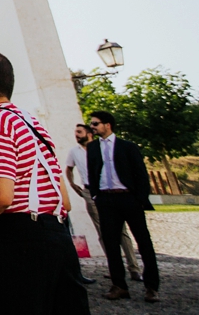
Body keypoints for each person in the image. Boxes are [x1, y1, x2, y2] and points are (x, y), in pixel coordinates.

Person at [0, 50, 88, 315]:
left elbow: (0, 195)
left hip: (19, 243)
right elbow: (63, 199)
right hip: (57, 236)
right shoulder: (31, 122)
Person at [86, 110, 159, 303]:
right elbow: (92, 173)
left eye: (95, 124)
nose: (92, 127)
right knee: (111, 244)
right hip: (106, 200)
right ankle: (119, 285)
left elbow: (141, 175)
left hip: (128, 198)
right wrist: (96, 195)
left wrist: (140, 199)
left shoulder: (128, 147)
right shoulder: (92, 148)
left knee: (143, 242)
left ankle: (151, 286)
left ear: (107, 125)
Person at [65, 123, 140, 283]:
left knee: (122, 232)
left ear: (89, 133)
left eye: (79, 132)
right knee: (103, 231)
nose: (76, 135)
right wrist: (73, 185)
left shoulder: (101, 149)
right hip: (89, 191)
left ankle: (134, 267)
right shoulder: (74, 152)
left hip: (108, 192)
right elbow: (68, 168)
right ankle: (115, 268)